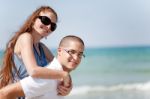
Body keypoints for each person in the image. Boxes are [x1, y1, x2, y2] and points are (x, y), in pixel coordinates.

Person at [0, 6, 72, 98]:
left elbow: (59, 68)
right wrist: (64, 75)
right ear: (33, 20)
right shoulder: (25, 37)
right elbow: (33, 71)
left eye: (53, 26)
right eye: (46, 20)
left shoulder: (42, 47)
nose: (49, 26)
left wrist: (68, 87)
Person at [0, 35, 85, 99]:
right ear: (59, 51)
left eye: (80, 54)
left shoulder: (59, 78)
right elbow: (3, 93)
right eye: (72, 52)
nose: (76, 58)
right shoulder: (48, 78)